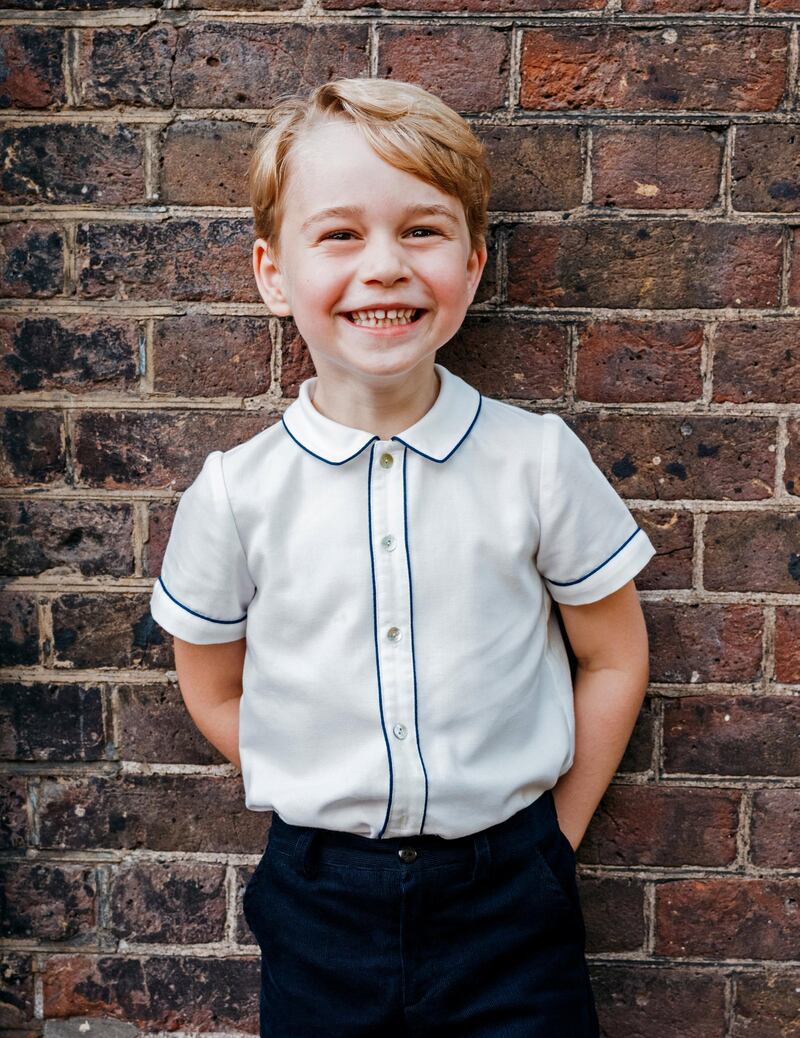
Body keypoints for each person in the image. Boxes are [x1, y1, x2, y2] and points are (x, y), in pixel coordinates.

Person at [149, 76, 657, 1037]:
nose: (383, 266)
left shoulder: (536, 459)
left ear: (471, 263)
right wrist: (320, 767)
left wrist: (556, 839)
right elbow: (214, 688)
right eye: (340, 235)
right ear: (271, 271)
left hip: (513, 896)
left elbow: (613, 654)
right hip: (320, 904)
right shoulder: (236, 491)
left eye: (420, 231)